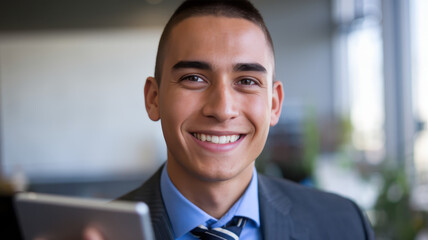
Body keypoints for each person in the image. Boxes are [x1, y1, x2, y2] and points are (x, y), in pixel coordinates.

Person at [116, 0, 375, 239]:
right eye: (193, 78)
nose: (222, 109)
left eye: (247, 81)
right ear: (154, 99)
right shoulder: (93, 232)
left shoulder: (343, 225)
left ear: (274, 104)